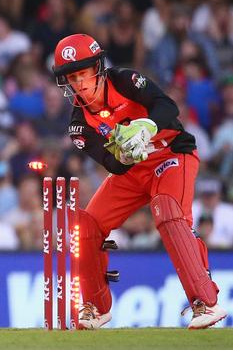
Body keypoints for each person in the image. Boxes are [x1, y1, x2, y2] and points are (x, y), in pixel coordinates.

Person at [52, 33, 227, 330]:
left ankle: (205, 303)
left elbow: (168, 108)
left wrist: (145, 126)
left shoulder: (124, 81)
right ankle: (95, 306)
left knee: (167, 211)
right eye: (72, 77)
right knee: (88, 223)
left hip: (172, 154)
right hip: (134, 170)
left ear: (97, 68)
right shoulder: (79, 125)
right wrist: (126, 153)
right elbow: (114, 167)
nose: (79, 83)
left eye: (83, 73)